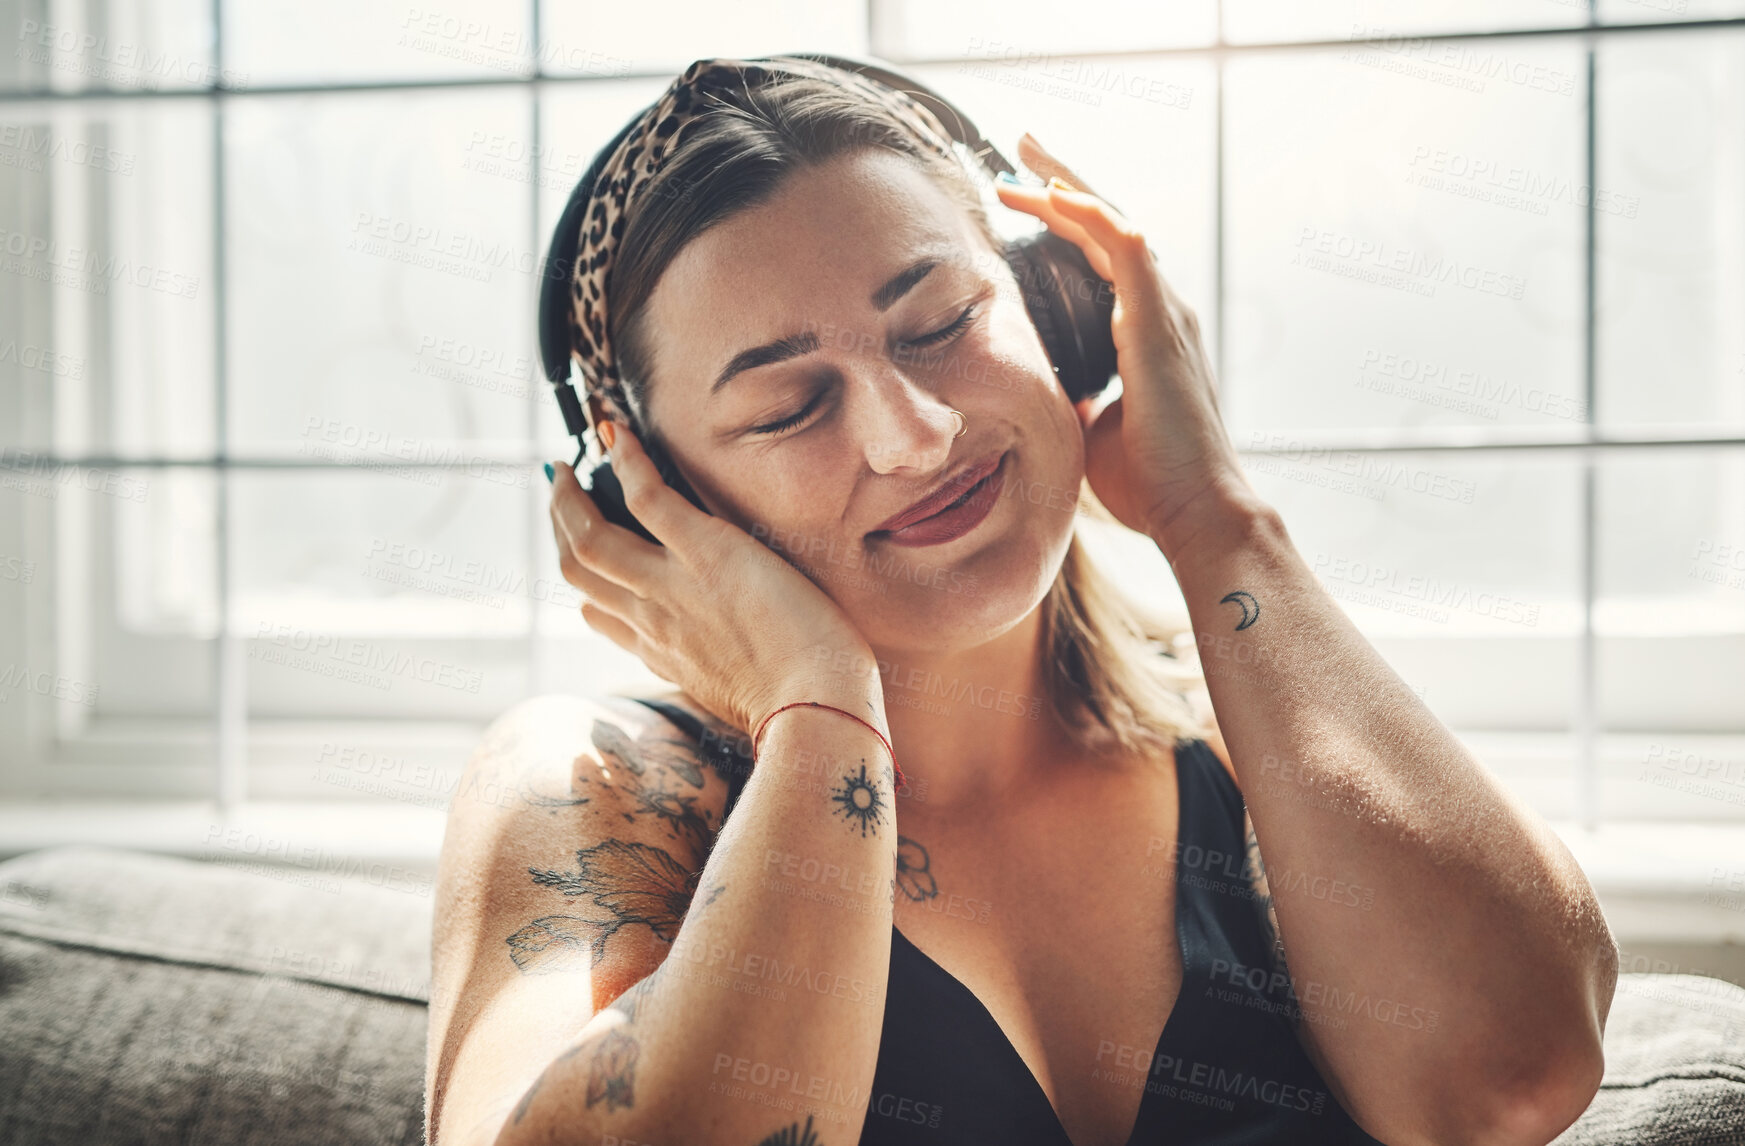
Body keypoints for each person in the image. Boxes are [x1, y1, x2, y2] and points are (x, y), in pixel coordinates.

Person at [425, 58, 1618, 1146]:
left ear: (1060, 313)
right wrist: (817, 708)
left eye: (942, 325)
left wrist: (1213, 519)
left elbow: (1508, 1080)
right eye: (790, 406)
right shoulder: (593, 787)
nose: (917, 435)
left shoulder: (1264, 755)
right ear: (655, 500)